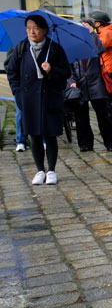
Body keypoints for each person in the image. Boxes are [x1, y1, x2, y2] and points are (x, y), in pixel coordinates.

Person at [7, 15, 71, 185]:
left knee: (50, 135)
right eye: (28, 28)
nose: (32, 31)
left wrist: (52, 70)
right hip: (28, 99)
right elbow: (12, 72)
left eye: (35, 28)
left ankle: (51, 170)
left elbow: (66, 72)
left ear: (45, 30)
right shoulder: (21, 48)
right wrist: (18, 93)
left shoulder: (55, 49)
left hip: (50, 98)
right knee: (34, 135)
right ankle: (40, 170)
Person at [66, 18, 112, 152]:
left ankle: (111, 143)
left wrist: (91, 33)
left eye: (86, 27)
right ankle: (85, 144)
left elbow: (100, 49)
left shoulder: (93, 41)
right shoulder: (72, 45)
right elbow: (68, 68)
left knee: (103, 115)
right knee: (81, 117)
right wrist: (71, 82)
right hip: (79, 84)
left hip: (96, 83)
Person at [90, 11, 112, 137]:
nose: (92, 24)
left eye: (94, 22)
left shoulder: (107, 33)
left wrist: (91, 34)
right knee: (110, 100)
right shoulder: (103, 32)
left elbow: (99, 47)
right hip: (110, 69)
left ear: (99, 23)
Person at [4, 43, 28, 152]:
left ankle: (42, 139)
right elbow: (8, 66)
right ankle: (21, 140)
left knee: (40, 113)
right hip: (22, 86)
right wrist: (16, 86)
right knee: (21, 114)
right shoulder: (17, 45)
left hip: (39, 86)